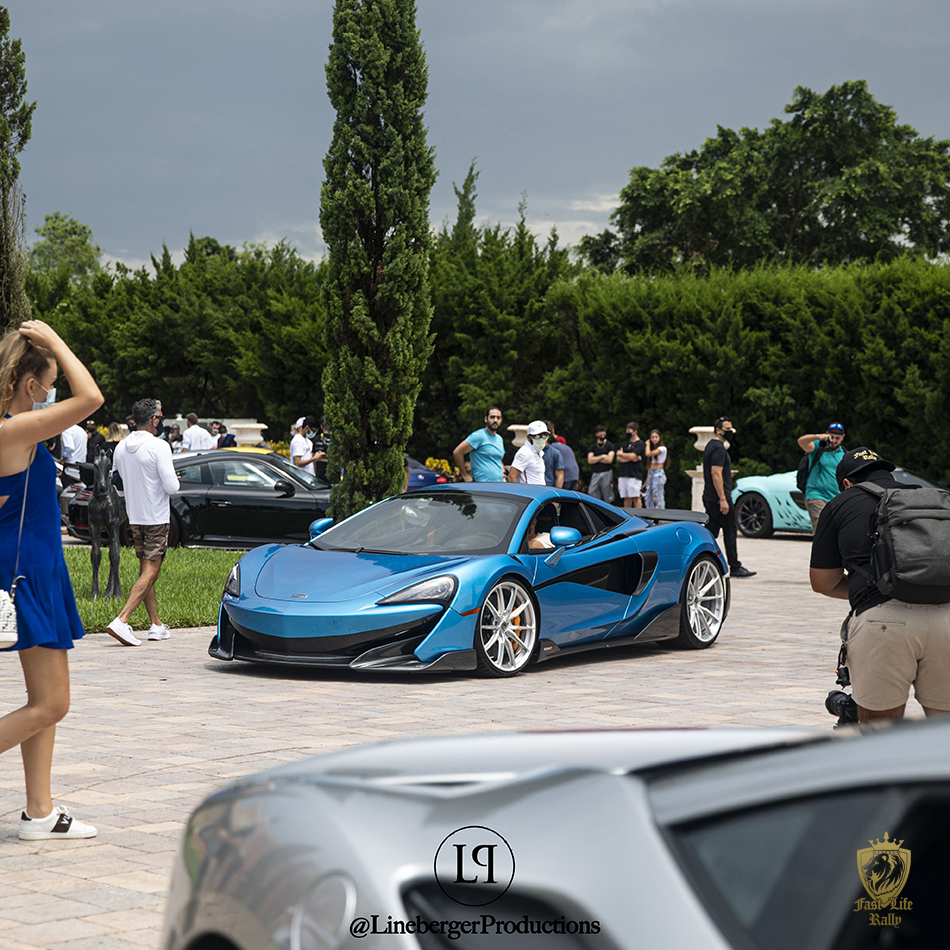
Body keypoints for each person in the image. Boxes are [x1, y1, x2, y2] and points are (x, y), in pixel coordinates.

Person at [0, 319, 103, 840]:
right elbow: (92, 399)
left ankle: (39, 812)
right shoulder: (13, 430)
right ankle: (39, 812)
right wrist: (58, 342)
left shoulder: (15, 429)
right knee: (52, 703)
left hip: (34, 566)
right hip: (28, 569)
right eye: (50, 383)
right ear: (30, 385)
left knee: (42, 701)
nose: (54, 392)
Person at [810, 447, 950, 723]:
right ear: (889, 473)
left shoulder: (840, 504)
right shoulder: (933, 500)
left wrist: (882, 584)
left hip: (883, 622)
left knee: (881, 735)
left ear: (846, 483)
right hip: (946, 618)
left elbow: (823, 582)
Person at [106, 398, 180, 647]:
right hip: (156, 517)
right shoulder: (160, 446)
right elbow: (172, 486)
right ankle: (122, 620)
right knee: (151, 571)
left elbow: (118, 485)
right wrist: (175, 479)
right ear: (153, 420)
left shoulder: (121, 447)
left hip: (135, 517)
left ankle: (156, 625)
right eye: (160, 416)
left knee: (146, 570)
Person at [702, 417, 756, 578]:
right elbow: (716, 474)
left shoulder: (710, 446)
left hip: (711, 498)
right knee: (730, 532)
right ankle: (735, 566)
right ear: (718, 430)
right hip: (718, 499)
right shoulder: (718, 449)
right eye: (727, 429)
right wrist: (723, 499)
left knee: (710, 532)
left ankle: (702, 561)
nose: (730, 432)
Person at [797, 422, 846, 532]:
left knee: (834, 532)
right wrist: (817, 437)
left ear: (843, 437)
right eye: (832, 437)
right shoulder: (818, 447)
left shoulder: (844, 454)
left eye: (837, 438)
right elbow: (801, 441)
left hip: (835, 498)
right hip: (816, 495)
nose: (834, 441)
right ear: (827, 434)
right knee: (821, 530)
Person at [453, 407, 505, 482]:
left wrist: (503, 475)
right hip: (481, 485)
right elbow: (457, 452)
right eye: (492, 417)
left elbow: (499, 460)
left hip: (498, 485)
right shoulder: (478, 436)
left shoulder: (499, 439)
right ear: (486, 419)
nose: (495, 420)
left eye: (498, 418)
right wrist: (465, 475)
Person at [507, 420, 548, 485]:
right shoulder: (525, 452)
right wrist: (517, 491)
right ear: (529, 437)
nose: (541, 439)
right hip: (529, 491)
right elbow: (511, 476)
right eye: (537, 436)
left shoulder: (537, 452)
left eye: (544, 435)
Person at [617, 422, 646, 508]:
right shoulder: (625, 444)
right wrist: (631, 458)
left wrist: (622, 454)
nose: (627, 433)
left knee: (635, 496)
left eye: (629, 431)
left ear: (635, 431)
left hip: (634, 475)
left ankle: (639, 514)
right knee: (626, 497)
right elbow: (618, 458)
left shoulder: (640, 444)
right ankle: (627, 514)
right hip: (623, 474)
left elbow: (632, 455)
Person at [586, 425, 615, 502]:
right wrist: (602, 456)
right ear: (596, 434)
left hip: (606, 472)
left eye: (603, 432)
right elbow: (590, 460)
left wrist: (596, 459)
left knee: (607, 493)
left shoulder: (610, 446)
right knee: (592, 491)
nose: (602, 434)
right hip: (596, 472)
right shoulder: (593, 447)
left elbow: (609, 460)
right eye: (600, 432)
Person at [548, 422, 579, 490]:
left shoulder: (552, 448)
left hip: (566, 476)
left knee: (560, 495)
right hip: (574, 475)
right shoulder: (564, 446)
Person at [643, 429, 668, 509]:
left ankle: (660, 514)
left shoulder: (662, 448)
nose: (654, 439)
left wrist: (647, 444)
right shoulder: (653, 449)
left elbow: (648, 454)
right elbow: (650, 467)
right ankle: (650, 513)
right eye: (652, 437)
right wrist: (646, 481)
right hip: (651, 473)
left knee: (657, 495)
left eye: (656, 437)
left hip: (658, 473)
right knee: (648, 496)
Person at [542, 422, 564, 489]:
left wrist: (556, 493)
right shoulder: (531, 452)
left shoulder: (555, 453)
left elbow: (560, 476)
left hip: (548, 489)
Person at [310, 416, 332, 481]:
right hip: (334, 475)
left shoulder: (317, 439)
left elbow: (313, 456)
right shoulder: (337, 439)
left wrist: (315, 473)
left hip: (320, 475)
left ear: (321, 426)